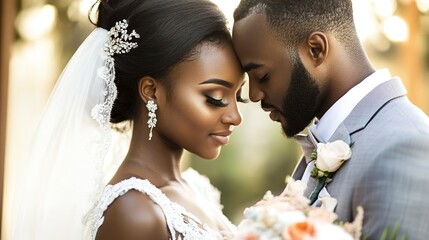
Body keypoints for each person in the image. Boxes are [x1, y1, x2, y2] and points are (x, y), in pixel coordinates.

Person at [10, 0, 246, 239]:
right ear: (151, 91)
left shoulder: (196, 187)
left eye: (238, 96)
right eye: (215, 98)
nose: (235, 117)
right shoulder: (134, 212)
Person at [232, 0, 429, 239]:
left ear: (316, 49)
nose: (254, 95)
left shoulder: (405, 148)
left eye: (262, 76)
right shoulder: (327, 140)